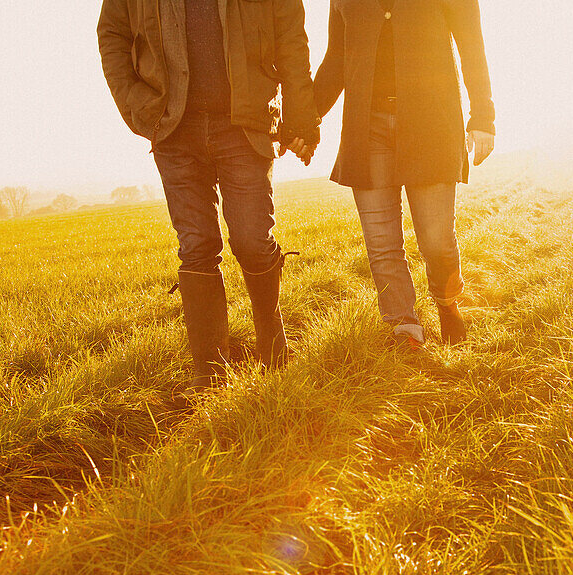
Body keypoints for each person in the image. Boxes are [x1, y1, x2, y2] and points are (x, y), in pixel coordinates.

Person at [97, 0, 319, 389]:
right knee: (196, 245)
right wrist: (135, 104)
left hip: (245, 122)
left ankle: (270, 334)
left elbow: (291, 37)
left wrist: (301, 116)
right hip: (173, 128)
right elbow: (111, 34)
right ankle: (211, 372)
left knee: (252, 239)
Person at [305, 0, 495, 347]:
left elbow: (472, 45)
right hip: (367, 128)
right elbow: (336, 60)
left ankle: (446, 300)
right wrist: (305, 121)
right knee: (382, 243)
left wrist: (483, 116)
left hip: (431, 123)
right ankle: (404, 326)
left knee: (436, 240)